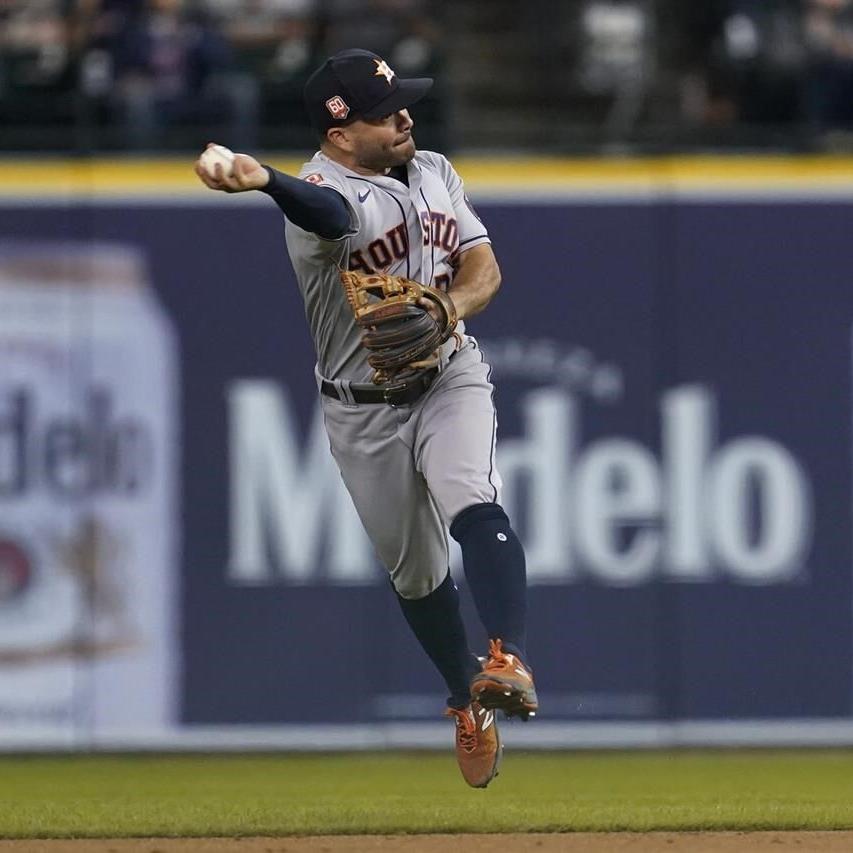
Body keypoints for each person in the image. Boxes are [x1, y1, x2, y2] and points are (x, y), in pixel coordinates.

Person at [194, 47, 537, 789]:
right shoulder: (322, 193)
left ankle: (507, 657)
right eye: (385, 111)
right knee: (416, 574)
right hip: (363, 410)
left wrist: (449, 305)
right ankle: (463, 697)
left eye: (402, 101)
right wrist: (265, 182)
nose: (404, 115)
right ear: (341, 131)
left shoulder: (435, 169)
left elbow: (485, 270)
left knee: (471, 497)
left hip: (448, 374)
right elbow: (325, 212)